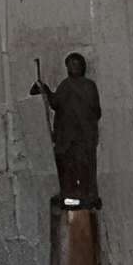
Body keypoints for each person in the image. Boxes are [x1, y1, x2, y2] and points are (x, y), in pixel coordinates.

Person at [31, 51, 101, 205]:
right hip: (66, 135)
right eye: (70, 64)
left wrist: (82, 116)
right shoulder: (65, 84)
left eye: (76, 64)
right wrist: (46, 89)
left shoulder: (89, 85)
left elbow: (96, 110)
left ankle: (87, 193)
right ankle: (69, 192)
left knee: (84, 164)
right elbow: (56, 103)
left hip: (83, 135)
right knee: (67, 164)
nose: (73, 67)